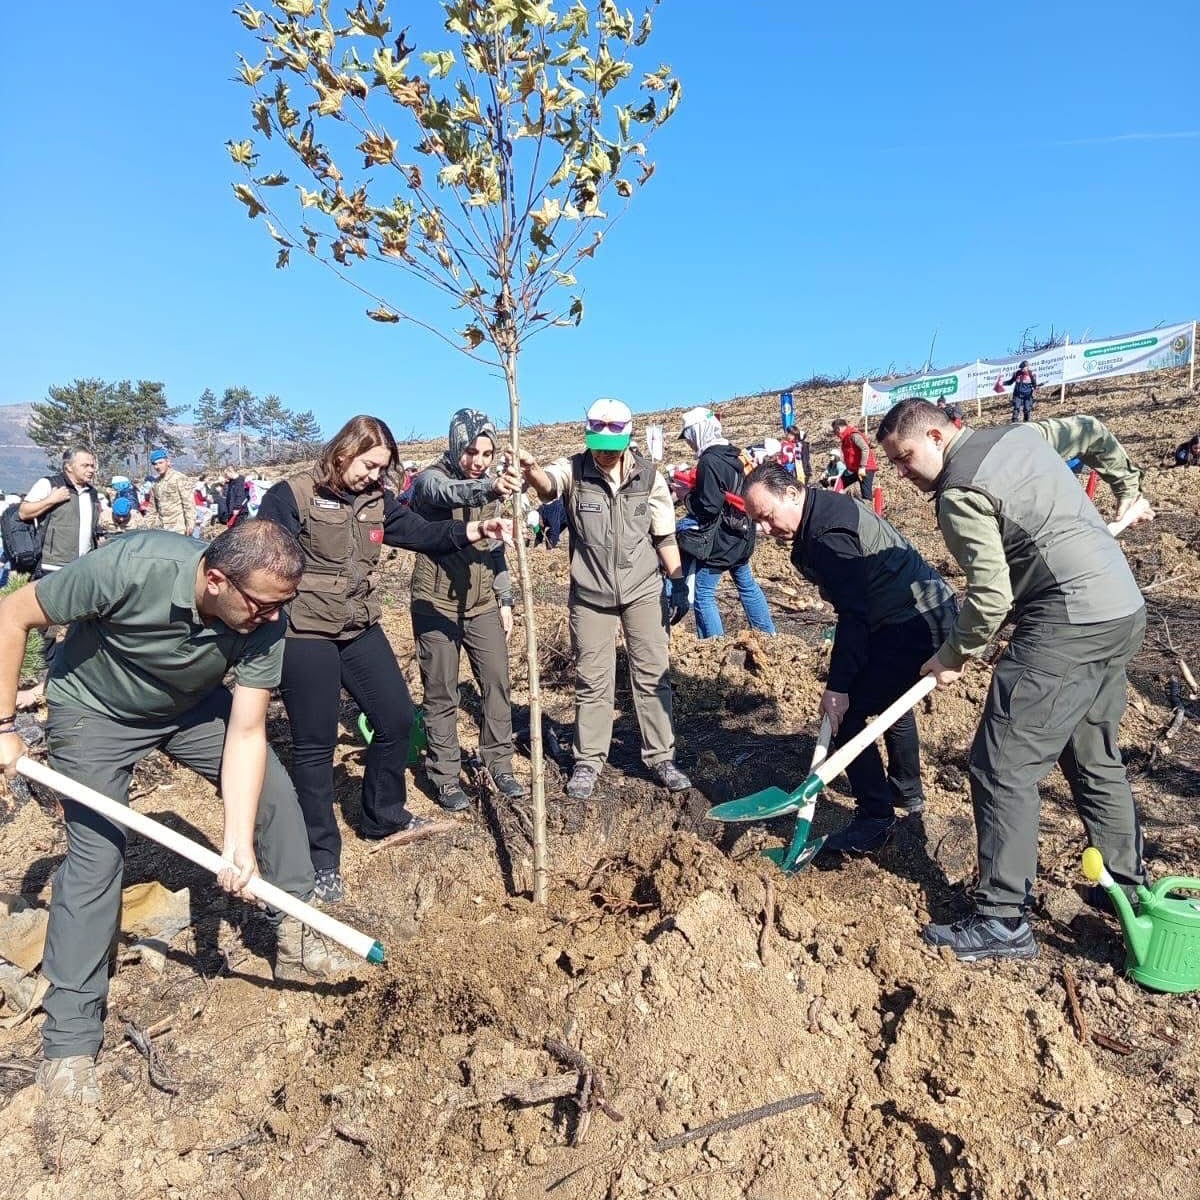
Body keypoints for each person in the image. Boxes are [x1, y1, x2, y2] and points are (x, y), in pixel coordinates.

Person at [0, 520, 351, 1105]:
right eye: (263, 605)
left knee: (273, 793)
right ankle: (69, 1039)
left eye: (280, 606)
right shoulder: (132, 565)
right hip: (94, 710)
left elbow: (245, 734)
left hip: (189, 708)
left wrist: (236, 843)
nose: (272, 618)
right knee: (97, 852)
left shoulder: (267, 615)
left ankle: (294, 925)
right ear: (215, 580)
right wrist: (3, 725)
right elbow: (12, 614)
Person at [877, 399, 1154, 962]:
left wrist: (954, 655)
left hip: (1068, 621)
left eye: (905, 459)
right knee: (1091, 754)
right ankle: (1125, 884)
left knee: (1001, 763)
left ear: (936, 434)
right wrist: (1127, 484)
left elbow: (991, 594)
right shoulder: (1021, 437)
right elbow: (1093, 432)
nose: (903, 476)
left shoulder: (958, 494)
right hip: (1122, 610)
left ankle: (1003, 918)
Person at [257, 415, 511, 902]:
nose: (374, 476)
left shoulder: (376, 500)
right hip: (305, 632)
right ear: (343, 452)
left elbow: (422, 533)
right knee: (315, 745)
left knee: (395, 718)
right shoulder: (293, 495)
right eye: (369, 466)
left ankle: (383, 814)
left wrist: (480, 528)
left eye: (382, 469)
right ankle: (321, 855)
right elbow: (265, 556)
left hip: (358, 627)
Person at [743, 461, 958, 853]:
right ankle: (906, 794)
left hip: (914, 619)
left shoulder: (828, 536)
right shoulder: (823, 510)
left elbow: (853, 616)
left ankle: (875, 817)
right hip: (917, 610)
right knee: (891, 697)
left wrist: (837, 687)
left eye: (767, 517)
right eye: (756, 522)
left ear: (791, 493)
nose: (764, 530)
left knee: (846, 712)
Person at [519, 399, 692, 800]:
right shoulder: (575, 469)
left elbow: (664, 534)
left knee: (652, 673)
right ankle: (588, 761)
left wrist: (678, 581)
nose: (603, 452)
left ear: (628, 440)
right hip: (590, 594)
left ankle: (660, 757)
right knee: (592, 680)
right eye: (597, 443)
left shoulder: (649, 477)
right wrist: (531, 473)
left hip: (642, 589)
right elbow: (548, 484)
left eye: (611, 446)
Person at [408, 408, 528, 812]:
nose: (478, 461)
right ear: (457, 444)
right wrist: (490, 488)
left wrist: (505, 598)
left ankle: (500, 764)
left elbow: (495, 548)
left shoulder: (487, 487)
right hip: (435, 603)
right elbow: (448, 493)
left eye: (487, 453)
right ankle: (444, 775)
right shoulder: (431, 479)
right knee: (442, 690)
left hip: (480, 604)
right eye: (471, 451)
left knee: (497, 683)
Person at [677, 406, 776, 641]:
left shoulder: (709, 461)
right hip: (744, 530)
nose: (689, 443)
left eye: (689, 437)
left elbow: (709, 506)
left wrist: (685, 496)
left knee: (703, 593)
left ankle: (714, 645)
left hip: (721, 538)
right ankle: (769, 635)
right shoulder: (738, 453)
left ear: (697, 432)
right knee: (747, 584)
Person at [18, 448, 102, 683]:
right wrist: (51, 499)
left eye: (92, 465)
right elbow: (24, 511)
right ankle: (39, 673)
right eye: (86, 465)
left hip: (82, 567)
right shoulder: (50, 484)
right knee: (47, 622)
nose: (91, 470)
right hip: (52, 565)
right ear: (68, 467)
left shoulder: (92, 493)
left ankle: (67, 672)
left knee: (78, 621)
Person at [149, 448, 193, 535]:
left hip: (178, 527)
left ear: (168, 462)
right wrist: (148, 525)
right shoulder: (155, 483)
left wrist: (190, 524)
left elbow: (189, 503)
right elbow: (152, 507)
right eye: (155, 464)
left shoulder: (179, 478)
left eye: (160, 463)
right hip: (161, 527)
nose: (158, 466)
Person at [831, 419, 877, 500]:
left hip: (865, 469)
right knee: (839, 483)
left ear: (838, 428)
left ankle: (868, 510)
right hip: (853, 470)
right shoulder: (846, 438)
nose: (835, 434)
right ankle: (836, 501)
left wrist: (862, 467)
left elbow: (865, 449)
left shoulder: (853, 435)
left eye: (835, 431)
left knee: (866, 494)